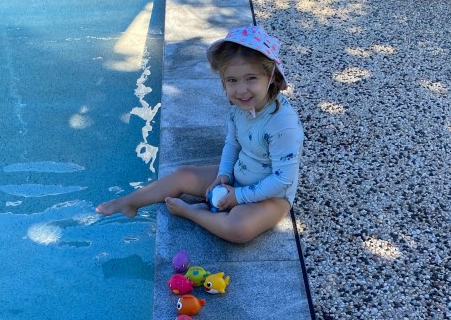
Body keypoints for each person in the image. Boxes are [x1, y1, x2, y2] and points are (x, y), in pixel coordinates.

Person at [96, 25, 306, 244]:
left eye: (251, 78)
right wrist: (223, 175)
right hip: (239, 176)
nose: (241, 90)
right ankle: (130, 202)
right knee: (183, 174)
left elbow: (283, 179)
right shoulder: (240, 109)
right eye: (232, 80)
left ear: (270, 75)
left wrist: (238, 196)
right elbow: (232, 145)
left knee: (240, 228)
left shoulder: (283, 124)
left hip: (273, 197)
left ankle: (191, 212)